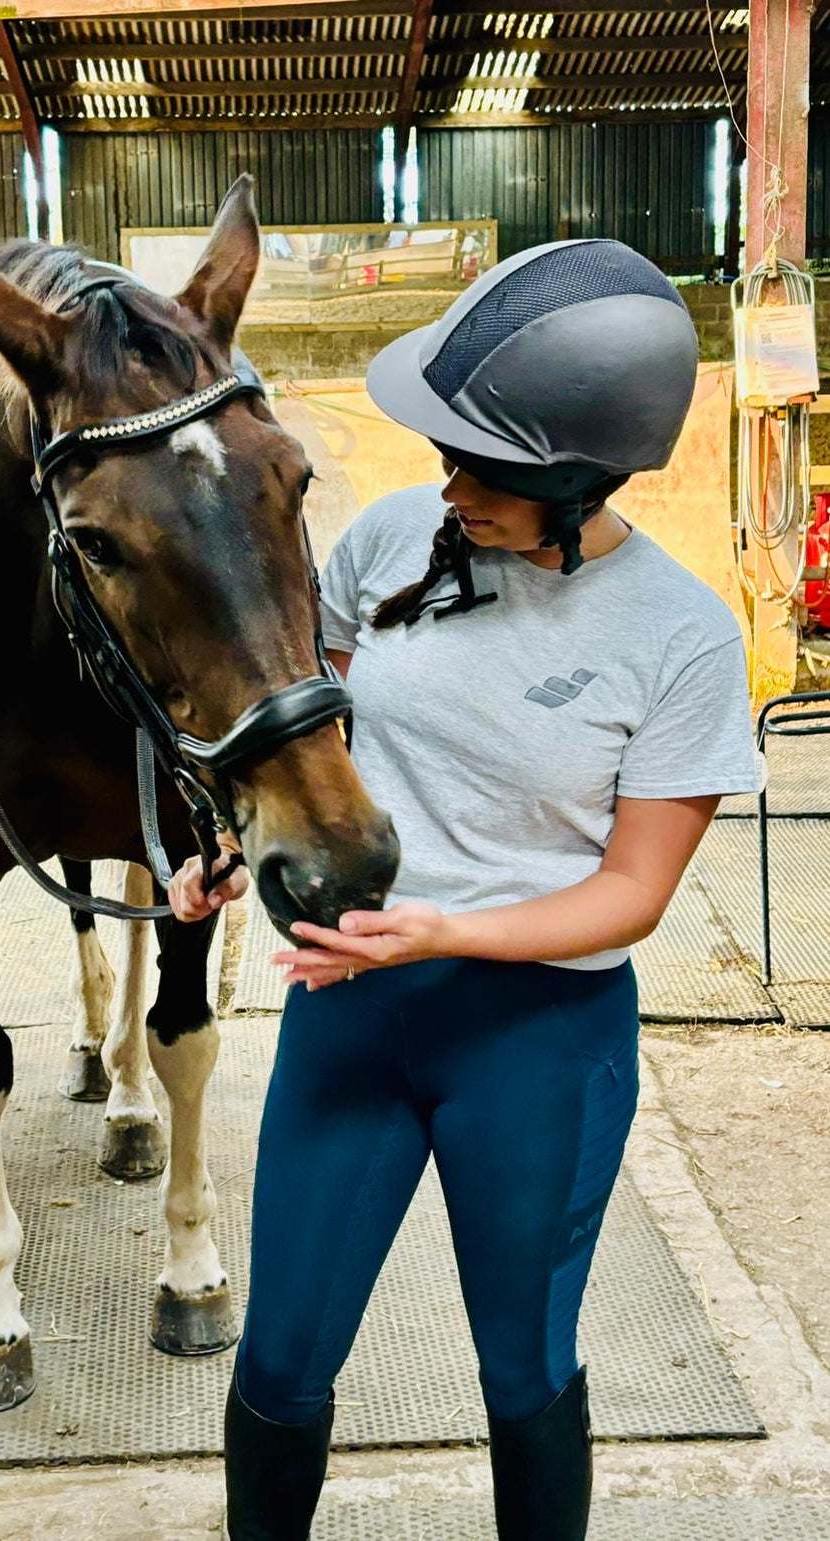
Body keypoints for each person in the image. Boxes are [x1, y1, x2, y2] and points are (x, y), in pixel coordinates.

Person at [166, 239, 761, 1540]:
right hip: (356, 1023)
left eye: (485, 469)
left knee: (523, 1370)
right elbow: (309, 744)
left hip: (537, 1046)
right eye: (445, 453)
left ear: (580, 476)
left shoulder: (678, 636)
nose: (449, 485)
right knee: (278, 1366)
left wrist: (447, 929)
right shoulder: (387, 542)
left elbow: (633, 894)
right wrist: (230, 840)